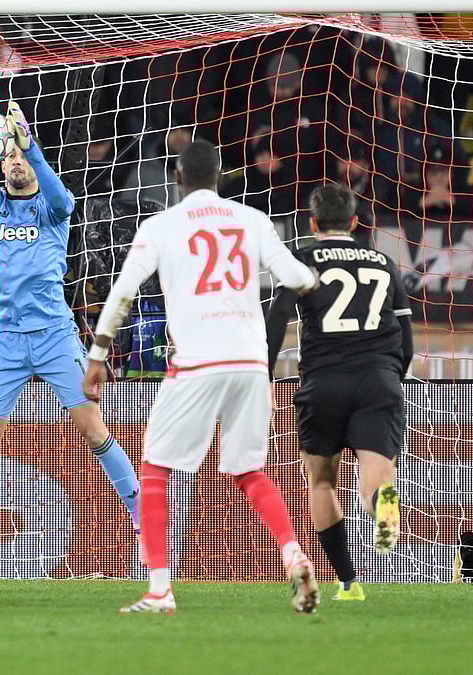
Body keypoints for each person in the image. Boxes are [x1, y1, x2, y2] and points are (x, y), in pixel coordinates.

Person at [83, 140, 321, 615]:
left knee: (154, 468)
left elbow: (123, 293)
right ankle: (293, 553)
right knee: (250, 470)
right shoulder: (251, 220)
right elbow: (296, 276)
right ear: (220, 176)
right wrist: (315, 282)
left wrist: (97, 354)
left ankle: (159, 590)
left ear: (177, 176)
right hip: (253, 363)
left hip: (197, 361)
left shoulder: (159, 226)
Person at [0, 102, 143, 577]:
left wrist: (32, 148)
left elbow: (65, 201)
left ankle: (142, 524)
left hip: (54, 338)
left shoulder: (52, 207)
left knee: (94, 431)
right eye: (7, 156)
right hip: (5, 342)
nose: (13, 161)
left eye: (20, 157)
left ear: (32, 159)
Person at [265, 183, 413, 602]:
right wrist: (390, 378)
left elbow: (277, 319)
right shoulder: (382, 262)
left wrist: (264, 372)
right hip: (377, 378)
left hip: (323, 381)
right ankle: (383, 509)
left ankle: (348, 582)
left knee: (321, 480)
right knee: (378, 473)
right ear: (354, 222)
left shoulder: (303, 258)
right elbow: (406, 338)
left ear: (312, 223)